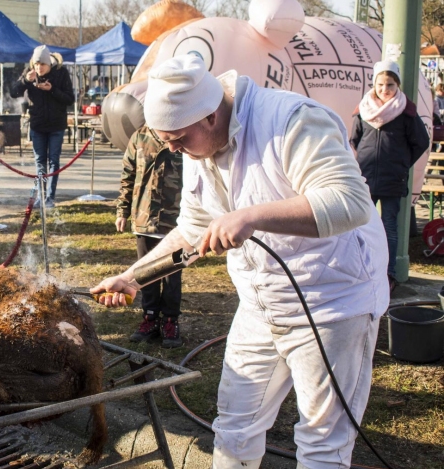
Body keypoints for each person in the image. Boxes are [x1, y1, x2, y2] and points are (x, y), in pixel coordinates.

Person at [91, 55, 389, 469]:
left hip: (332, 300)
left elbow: (350, 201)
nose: (175, 150)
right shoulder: (197, 146)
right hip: (261, 303)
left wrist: (252, 215)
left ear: (211, 116)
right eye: (166, 140)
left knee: (323, 443)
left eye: (178, 138)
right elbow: (193, 227)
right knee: (234, 425)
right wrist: (134, 276)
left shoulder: (291, 120)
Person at [350, 60, 429, 293]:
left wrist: (402, 163)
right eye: (381, 84)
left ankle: (389, 273)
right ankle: (362, 268)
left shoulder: (406, 112)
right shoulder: (363, 109)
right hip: (366, 177)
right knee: (362, 224)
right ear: (374, 84)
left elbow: (420, 142)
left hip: (393, 178)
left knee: (389, 227)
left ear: (398, 85)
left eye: (391, 85)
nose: (385, 90)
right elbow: (355, 138)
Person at [116, 124, 184, 348]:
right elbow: (128, 175)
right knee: (146, 272)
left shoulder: (182, 133)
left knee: (172, 273)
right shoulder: (139, 137)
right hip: (144, 218)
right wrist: (122, 211)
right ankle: (150, 318)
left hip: (175, 220)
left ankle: (171, 321)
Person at [10, 45, 75, 208]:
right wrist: (26, 81)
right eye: (36, 64)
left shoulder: (61, 73)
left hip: (56, 125)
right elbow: (13, 92)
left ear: (49, 64)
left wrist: (52, 90)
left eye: (42, 65)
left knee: (54, 160)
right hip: (37, 125)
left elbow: (69, 99)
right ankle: (42, 195)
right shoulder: (29, 72)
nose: (39, 68)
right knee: (40, 162)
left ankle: (50, 198)